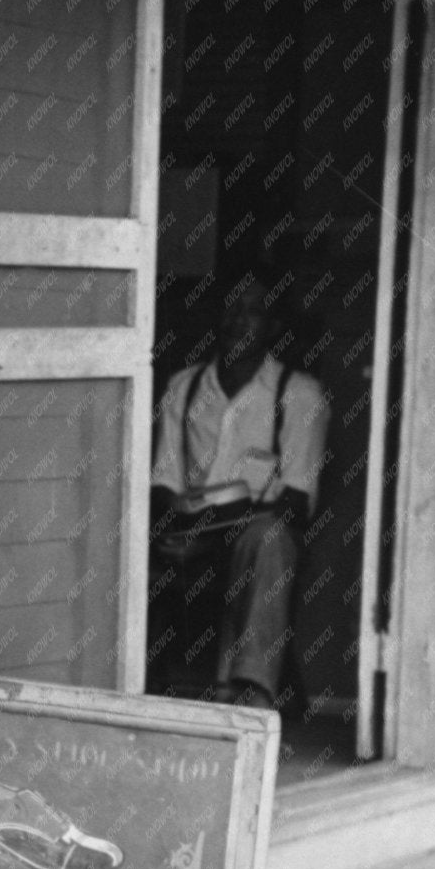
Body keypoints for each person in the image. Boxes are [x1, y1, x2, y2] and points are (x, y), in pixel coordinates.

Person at [148, 277, 328, 709]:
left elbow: (297, 500)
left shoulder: (299, 393)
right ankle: (140, 685)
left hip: (257, 528)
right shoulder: (184, 386)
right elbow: (164, 479)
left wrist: (236, 517)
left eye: (252, 311)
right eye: (230, 309)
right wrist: (173, 521)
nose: (237, 321)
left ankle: (253, 690)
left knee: (266, 540)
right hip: (192, 527)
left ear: (272, 326)